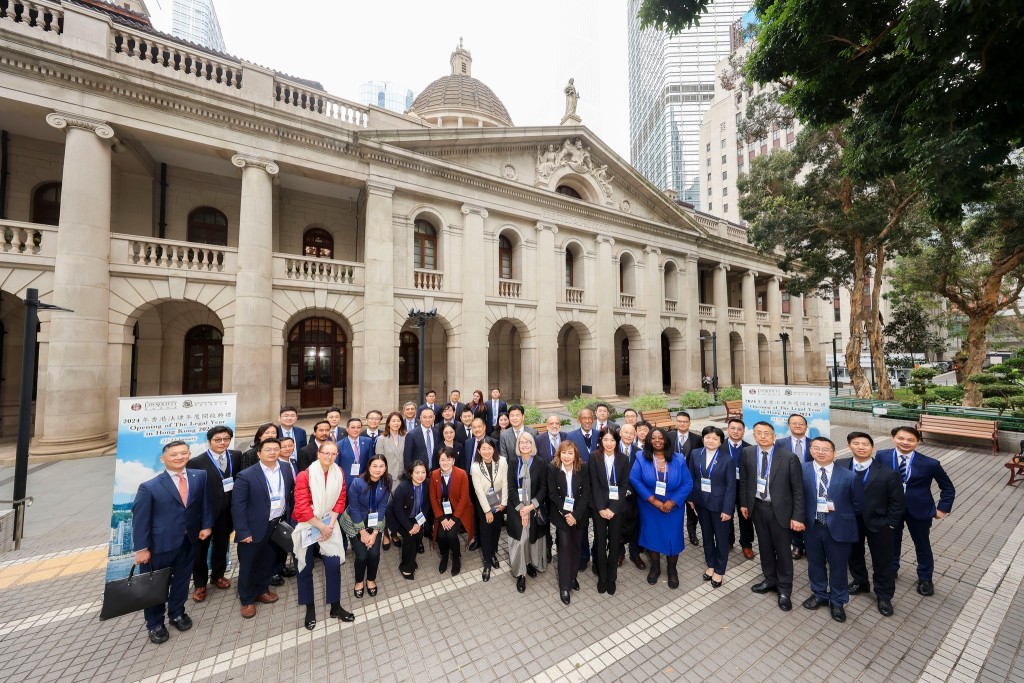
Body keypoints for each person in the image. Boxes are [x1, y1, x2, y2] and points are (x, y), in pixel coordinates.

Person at [132, 441, 213, 644]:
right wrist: (142, 549)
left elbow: (205, 503)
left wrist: (206, 525)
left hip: (189, 540)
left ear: (189, 454)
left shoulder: (199, 476)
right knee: (156, 586)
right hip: (160, 546)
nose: (179, 457)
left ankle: (177, 613)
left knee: (182, 581)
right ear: (163, 459)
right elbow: (140, 520)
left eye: (183, 453)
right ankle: (155, 624)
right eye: (174, 454)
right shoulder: (149, 487)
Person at [877, 426, 955, 596]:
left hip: (919, 511)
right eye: (901, 438)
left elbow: (948, 488)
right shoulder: (882, 456)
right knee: (891, 542)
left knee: (922, 545)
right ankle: (892, 569)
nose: (905, 442)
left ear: (917, 442)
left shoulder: (930, 463)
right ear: (893, 438)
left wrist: (943, 508)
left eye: (910, 440)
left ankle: (925, 578)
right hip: (891, 510)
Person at [837, 431, 905, 617]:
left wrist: (890, 524)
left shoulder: (887, 473)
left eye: (865, 444)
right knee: (854, 554)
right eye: (856, 443)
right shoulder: (841, 466)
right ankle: (861, 582)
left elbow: (897, 502)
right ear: (850, 446)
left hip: (879, 523)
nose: (861, 447)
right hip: (849, 521)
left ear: (872, 448)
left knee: (882, 561)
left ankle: (884, 596)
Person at [740, 421, 804, 612]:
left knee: (783, 551)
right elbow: (744, 480)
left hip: (781, 511)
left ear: (774, 436)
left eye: (766, 433)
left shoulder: (788, 457)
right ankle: (770, 580)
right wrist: (744, 503)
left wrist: (798, 516)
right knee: (765, 547)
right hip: (757, 508)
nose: (762, 436)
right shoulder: (748, 453)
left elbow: (798, 490)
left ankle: (784, 589)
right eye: (758, 433)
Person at [290, 440, 355, 629]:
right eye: (326, 453)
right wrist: (321, 527)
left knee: (333, 564)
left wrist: (330, 525)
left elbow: (340, 500)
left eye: (333, 454)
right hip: (306, 524)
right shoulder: (305, 475)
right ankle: (310, 608)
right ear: (319, 454)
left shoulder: (338, 472)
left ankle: (335, 606)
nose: (329, 457)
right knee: (305, 567)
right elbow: (301, 509)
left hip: (329, 523)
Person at [232, 438, 295, 619]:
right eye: (268, 449)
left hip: (276, 524)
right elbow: (238, 506)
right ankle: (247, 599)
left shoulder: (284, 469)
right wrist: (243, 531)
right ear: (259, 453)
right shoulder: (246, 475)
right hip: (254, 528)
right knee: (249, 564)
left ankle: (262, 589)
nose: (273, 452)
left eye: (276, 449)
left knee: (268, 560)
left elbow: (288, 496)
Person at [800, 437, 860, 623]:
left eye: (825, 449)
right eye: (816, 448)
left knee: (838, 567)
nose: (820, 452)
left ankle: (838, 600)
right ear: (811, 451)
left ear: (834, 453)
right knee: (815, 564)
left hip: (839, 528)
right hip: (812, 526)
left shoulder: (849, 475)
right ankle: (819, 594)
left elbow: (858, 504)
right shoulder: (802, 470)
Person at [630, 427, 693, 589]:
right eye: (653, 438)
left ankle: (672, 569)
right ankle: (655, 567)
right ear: (649, 441)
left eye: (661, 438)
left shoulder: (678, 459)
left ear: (666, 440)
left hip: (673, 507)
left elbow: (687, 483)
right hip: (650, 507)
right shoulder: (641, 457)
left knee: (673, 538)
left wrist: (672, 502)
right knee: (652, 536)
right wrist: (653, 501)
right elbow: (635, 479)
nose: (657, 441)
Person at [186, 425, 240, 602]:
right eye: (218, 439)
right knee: (200, 551)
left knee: (221, 546)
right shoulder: (196, 462)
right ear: (209, 441)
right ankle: (200, 584)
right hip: (205, 516)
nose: (222, 442)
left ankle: (217, 576)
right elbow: (193, 493)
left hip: (227, 513)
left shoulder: (235, 456)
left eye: (226, 439)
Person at [687, 426, 736, 588]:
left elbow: (731, 487)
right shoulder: (695, 454)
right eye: (708, 437)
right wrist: (691, 498)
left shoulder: (727, 459)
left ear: (721, 441)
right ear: (703, 439)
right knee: (706, 536)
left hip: (719, 506)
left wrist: (728, 509)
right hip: (701, 503)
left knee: (721, 539)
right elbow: (692, 478)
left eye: (715, 438)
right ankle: (711, 565)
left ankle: (720, 570)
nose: (711, 441)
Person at [340, 454, 391, 598]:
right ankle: (358, 582)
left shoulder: (387, 480)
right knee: (362, 556)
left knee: (374, 554)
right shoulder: (357, 483)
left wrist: (374, 533)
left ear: (385, 467)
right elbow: (354, 508)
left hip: (375, 521)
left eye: (381, 466)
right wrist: (363, 533)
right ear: (368, 467)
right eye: (374, 466)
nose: (378, 469)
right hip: (355, 521)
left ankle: (370, 579)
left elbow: (382, 507)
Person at [590, 427, 631, 595]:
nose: (609, 443)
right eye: (605, 440)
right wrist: (601, 508)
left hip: (617, 508)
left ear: (617, 441)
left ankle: (612, 577)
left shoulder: (623, 459)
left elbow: (623, 486)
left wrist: (613, 509)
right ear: (600, 440)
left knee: (614, 542)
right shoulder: (594, 457)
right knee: (600, 542)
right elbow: (594, 484)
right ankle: (602, 576)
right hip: (598, 507)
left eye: (612, 440)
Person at [507, 432, 549, 593]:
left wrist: (531, 507)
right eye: (521, 442)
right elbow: (511, 487)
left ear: (532, 445)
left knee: (533, 537)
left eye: (527, 442)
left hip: (534, 508)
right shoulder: (512, 462)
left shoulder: (540, 462)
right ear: (518, 446)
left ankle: (530, 563)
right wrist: (521, 509)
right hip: (516, 508)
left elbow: (544, 488)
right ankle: (521, 574)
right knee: (520, 539)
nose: (524, 445)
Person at [549, 441, 590, 605]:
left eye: (570, 453)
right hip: (562, 515)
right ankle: (564, 586)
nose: (567, 456)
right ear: (559, 454)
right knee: (565, 548)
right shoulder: (552, 468)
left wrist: (575, 514)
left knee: (576, 547)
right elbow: (552, 494)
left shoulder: (583, 468)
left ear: (575, 455)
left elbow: (586, 493)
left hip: (579, 514)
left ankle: (573, 577)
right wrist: (567, 514)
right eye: (564, 453)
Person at [429, 447, 475, 576]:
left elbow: (464, 498)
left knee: (451, 535)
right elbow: (433, 498)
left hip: (458, 511)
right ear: (439, 461)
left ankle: (456, 557)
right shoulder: (434, 475)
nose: (446, 462)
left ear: (453, 460)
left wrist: (454, 519)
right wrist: (442, 518)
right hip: (442, 512)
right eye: (443, 459)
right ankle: (444, 556)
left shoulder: (461, 474)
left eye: (449, 459)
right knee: (441, 536)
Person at [386, 461, 432, 580]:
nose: (420, 475)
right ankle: (406, 567)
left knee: (419, 535)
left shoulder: (427, 484)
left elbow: (426, 505)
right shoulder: (403, 488)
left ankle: (411, 559)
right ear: (411, 473)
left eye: (423, 472)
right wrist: (410, 527)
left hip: (416, 516)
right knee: (410, 536)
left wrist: (418, 523)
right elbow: (398, 510)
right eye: (417, 472)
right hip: (398, 517)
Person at [471, 440, 507, 581]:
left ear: (494, 449)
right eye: (483, 449)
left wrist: (503, 504)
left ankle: (493, 554)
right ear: (479, 451)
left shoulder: (502, 461)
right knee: (486, 531)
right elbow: (478, 490)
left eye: (489, 448)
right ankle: (487, 562)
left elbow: (505, 482)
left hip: (498, 501)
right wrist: (487, 511)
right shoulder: (475, 467)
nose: (487, 451)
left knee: (497, 529)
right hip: (484, 502)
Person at [780, 413, 811, 559]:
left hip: (810, 485)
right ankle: (797, 544)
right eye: (794, 423)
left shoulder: (814, 444)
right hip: (787, 485)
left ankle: (810, 544)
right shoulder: (780, 444)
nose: (798, 426)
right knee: (793, 514)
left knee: (809, 514)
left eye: (801, 424)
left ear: (806, 427)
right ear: (788, 426)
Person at [724, 418, 756, 560]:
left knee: (745, 516)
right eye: (733, 428)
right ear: (728, 429)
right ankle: (728, 540)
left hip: (744, 487)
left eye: (739, 429)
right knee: (726, 514)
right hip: (725, 488)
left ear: (743, 432)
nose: (736, 431)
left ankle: (746, 544)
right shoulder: (720, 446)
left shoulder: (750, 449)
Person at [616, 422, 646, 571]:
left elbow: (642, 475)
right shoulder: (612, 449)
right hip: (617, 497)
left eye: (631, 433)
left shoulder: (639, 452)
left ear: (634, 436)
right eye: (625, 432)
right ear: (620, 434)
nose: (628, 435)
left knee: (635, 526)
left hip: (635, 496)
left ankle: (635, 554)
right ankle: (619, 554)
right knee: (619, 525)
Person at [671, 411, 703, 548]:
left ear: (689, 423)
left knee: (691, 509)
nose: (682, 423)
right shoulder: (668, 436)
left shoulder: (697, 439)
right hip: (672, 481)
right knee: (672, 508)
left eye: (685, 421)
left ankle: (692, 533)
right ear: (676, 422)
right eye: (679, 421)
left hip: (689, 481)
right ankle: (673, 534)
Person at [377, 411, 407, 492]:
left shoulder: (406, 437)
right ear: (388, 423)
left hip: (403, 476)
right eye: (393, 421)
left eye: (398, 421)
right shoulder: (382, 439)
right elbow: (379, 459)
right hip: (388, 477)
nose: (396, 423)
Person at [404, 406, 440, 472]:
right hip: (418, 473)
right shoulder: (411, 435)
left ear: (434, 418)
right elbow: (407, 458)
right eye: (425, 417)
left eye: (430, 417)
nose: (427, 420)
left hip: (434, 472)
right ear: (420, 418)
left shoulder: (436, 433)